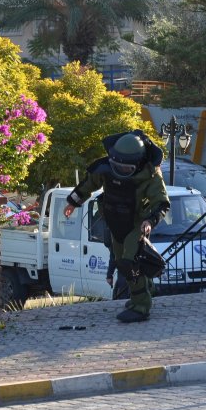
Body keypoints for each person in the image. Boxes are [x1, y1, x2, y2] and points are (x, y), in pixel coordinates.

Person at [64, 130, 169, 323]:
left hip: (136, 223)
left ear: (137, 164)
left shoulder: (150, 174)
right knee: (122, 262)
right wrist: (73, 202)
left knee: (130, 262)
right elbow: (89, 184)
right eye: (117, 167)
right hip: (114, 221)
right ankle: (145, 289)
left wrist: (150, 221)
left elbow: (161, 203)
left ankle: (141, 306)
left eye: (127, 169)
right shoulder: (105, 168)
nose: (121, 172)